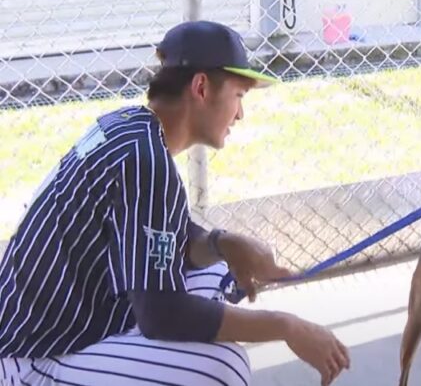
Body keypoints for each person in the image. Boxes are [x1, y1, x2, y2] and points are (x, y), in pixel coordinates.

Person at [0, 20, 350, 386]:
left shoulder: (131, 128)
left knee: (213, 274)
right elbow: (162, 315)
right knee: (222, 367)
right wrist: (286, 326)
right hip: (28, 359)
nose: (240, 114)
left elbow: (167, 238)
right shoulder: (146, 160)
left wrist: (223, 244)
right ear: (201, 87)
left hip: (45, 323)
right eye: (238, 96)